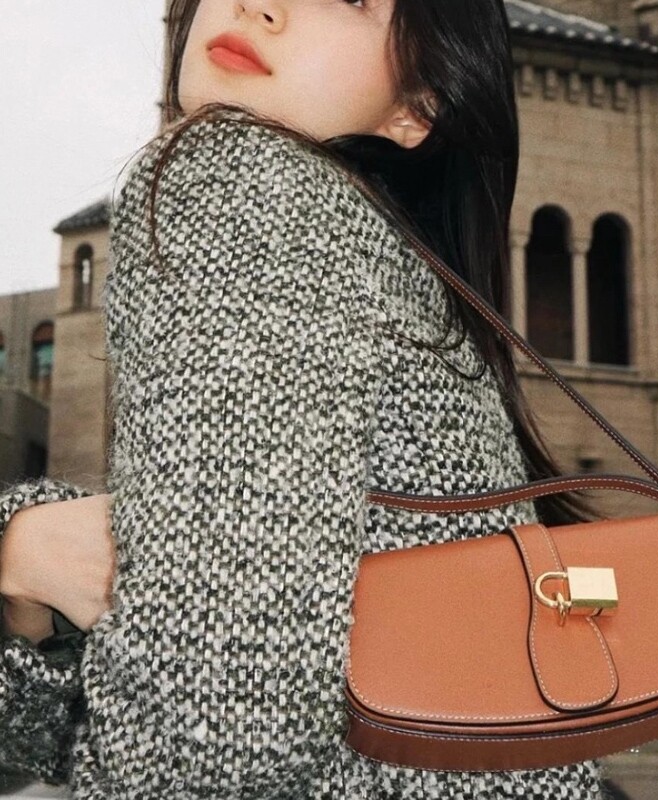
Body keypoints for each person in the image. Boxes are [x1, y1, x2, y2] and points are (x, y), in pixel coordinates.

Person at [0, 0, 606, 797]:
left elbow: (217, 730)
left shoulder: (236, 175)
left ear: (416, 108)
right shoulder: (392, 270)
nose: (262, 5)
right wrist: (22, 555)